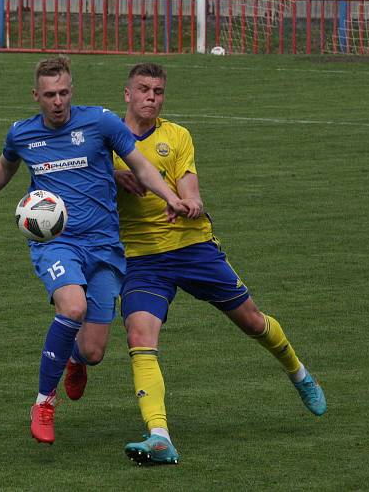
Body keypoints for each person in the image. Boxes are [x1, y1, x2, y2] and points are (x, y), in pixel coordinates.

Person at [0, 56, 188, 445]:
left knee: (94, 351)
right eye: (49, 95)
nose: (57, 102)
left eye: (63, 93)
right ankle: (44, 402)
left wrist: (169, 196)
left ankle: (75, 360)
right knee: (73, 308)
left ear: (72, 91)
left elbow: (141, 166)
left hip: (104, 245)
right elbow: (5, 167)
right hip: (56, 242)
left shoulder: (101, 122)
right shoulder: (22, 134)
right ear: (36, 96)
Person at [112, 63, 327, 465]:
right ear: (127, 94)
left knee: (252, 321)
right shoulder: (107, 140)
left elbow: (189, 186)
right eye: (143, 89)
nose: (151, 97)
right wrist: (111, 172)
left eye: (158, 91)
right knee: (139, 334)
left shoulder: (176, 136)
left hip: (193, 248)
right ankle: (159, 436)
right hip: (142, 259)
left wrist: (192, 203)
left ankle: (299, 373)